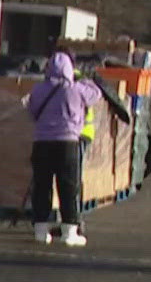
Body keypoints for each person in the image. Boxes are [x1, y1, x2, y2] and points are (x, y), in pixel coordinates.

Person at [24, 47, 100, 247]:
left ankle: (41, 231)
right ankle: (69, 232)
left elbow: (32, 112)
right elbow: (96, 94)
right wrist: (83, 77)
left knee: (42, 187)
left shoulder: (38, 90)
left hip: (41, 143)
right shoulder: (75, 89)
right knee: (68, 187)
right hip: (67, 143)